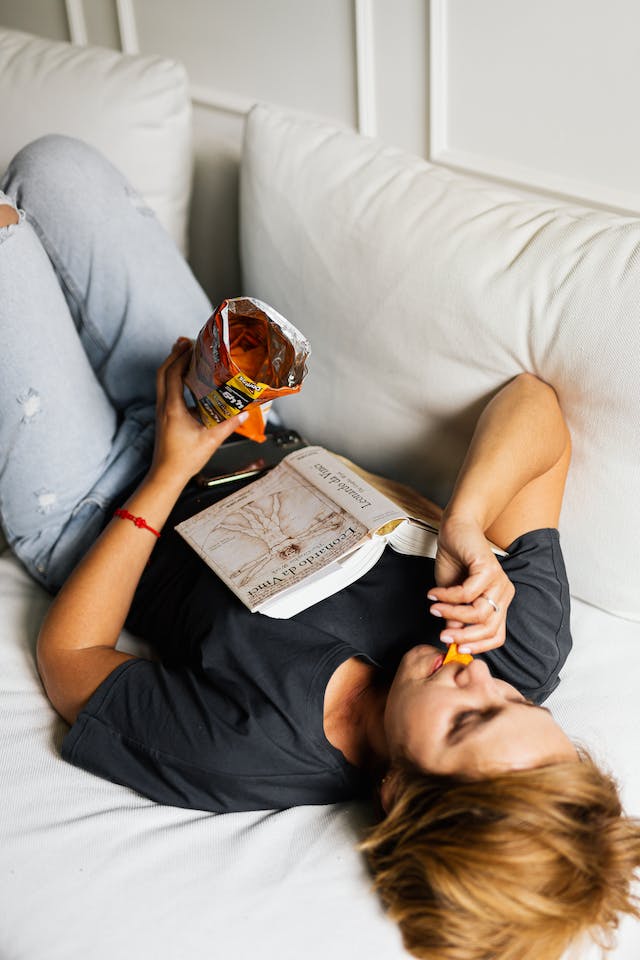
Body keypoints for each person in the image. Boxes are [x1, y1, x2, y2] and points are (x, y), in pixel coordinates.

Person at [1, 136, 638, 960]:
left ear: (397, 789)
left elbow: (69, 654)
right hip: (230, 416)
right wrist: (466, 521)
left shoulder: (248, 751)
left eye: (468, 720)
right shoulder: (510, 636)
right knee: (58, 168)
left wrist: (166, 472)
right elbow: (536, 406)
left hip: (95, 504)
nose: (482, 680)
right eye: (523, 708)